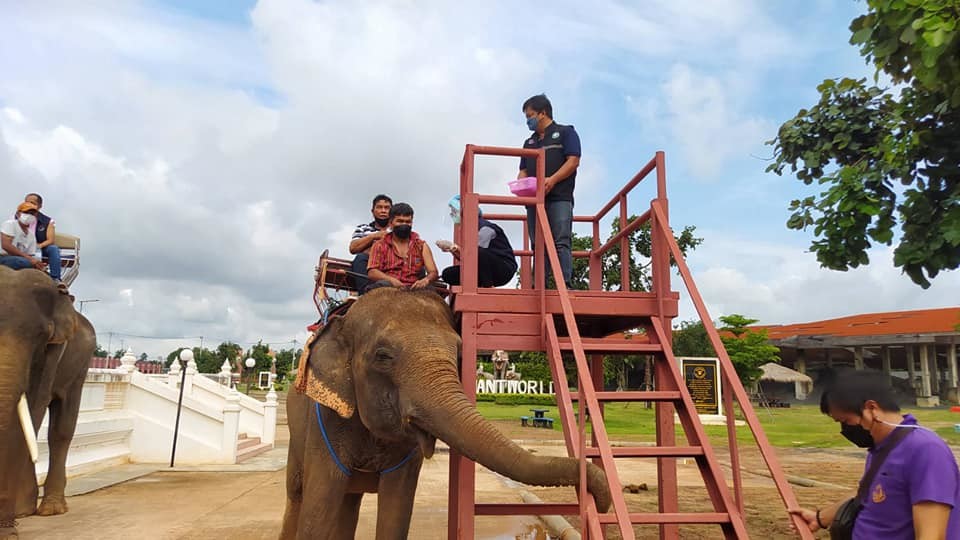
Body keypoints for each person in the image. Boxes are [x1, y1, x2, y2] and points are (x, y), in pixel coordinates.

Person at [790, 371, 960, 538]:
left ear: (872, 408)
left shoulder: (925, 450)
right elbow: (867, 495)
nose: (845, 430)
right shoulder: (882, 448)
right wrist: (820, 518)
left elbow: (932, 533)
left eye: (845, 421)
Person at [518, 93, 581, 288]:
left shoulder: (565, 133)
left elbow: (573, 161)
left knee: (561, 241)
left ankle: (565, 285)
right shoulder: (529, 142)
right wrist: (522, 185)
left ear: (543, 113)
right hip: (535, 201)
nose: (528, 120)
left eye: (530, 115)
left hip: (560, 198)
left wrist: (552, 180)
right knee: (538, 244)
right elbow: (523, 170)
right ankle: (540, 287)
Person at [438, 195, 517, 287]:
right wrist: (451, 249)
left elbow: (474, 254)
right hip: (484, 268)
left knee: (478, 252)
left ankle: (487, 287)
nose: (452, 214)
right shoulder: (468, 230)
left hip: (503, 269)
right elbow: (466, 258)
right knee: (448, 274)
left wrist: (454, 247)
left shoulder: (485, 228)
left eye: (454, 211)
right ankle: (478, 285)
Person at [366, 202, 438, 291]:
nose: (404, 224)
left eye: (408, 222)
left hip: (414, 288)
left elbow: (433, 272)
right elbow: (372, 272)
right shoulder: (379, 245)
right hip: (388, 287)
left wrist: (426, 280)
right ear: (391, 223)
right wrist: (392, 281)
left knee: (430, 292)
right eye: (400, 221)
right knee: (382, 286)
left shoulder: (422, 246)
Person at [348, 194, 392, 291]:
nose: (383, 211)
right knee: (360, 258)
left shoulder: (397, 229)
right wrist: (374, 236)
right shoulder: (363, 228)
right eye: (379, 207)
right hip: (369, 266)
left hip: (392, 265)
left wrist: (369, 248)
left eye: (387, 208)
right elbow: (353, 248)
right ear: (373, 211)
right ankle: (365, 293)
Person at [24, 193, 62, 282]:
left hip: (40, 247)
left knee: (53, 249)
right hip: (22, 247)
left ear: (39, 206)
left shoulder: (48, 221)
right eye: (26, 202)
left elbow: (50, 240)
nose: (29, 205)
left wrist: (38, 246)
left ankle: (56, 278)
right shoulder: (16, 218)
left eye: (32, 203)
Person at [0, 202, 46, 273]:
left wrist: (37, 263)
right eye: (26, 212)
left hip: (21, 259)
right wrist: (29, 259)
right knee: (23, 262)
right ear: (18, 214)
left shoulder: (31, 235)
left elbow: (31, 255)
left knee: (36, 266)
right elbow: (6, 245)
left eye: (32, 214)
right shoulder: (10, 224)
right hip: (3, 257)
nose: (30, 215)